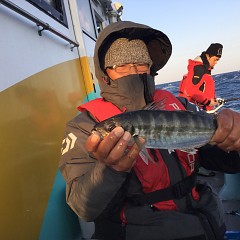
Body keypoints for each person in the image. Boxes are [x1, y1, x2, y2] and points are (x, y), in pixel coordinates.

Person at [59, 21, 240, 240]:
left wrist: (234, 140)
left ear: (150, 67)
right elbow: (83, 207)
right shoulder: (84, 126)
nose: (133, 71)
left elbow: (226, 162)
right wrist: (109, 171)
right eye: (121, 66)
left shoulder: (178, 105)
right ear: (105, 73)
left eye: (141, 63)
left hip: (207, 221)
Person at [178, 43, 223, 111]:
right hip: (199, 113)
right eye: (215, 59)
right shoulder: (199, 69)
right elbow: (191, 90)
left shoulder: (203, 68)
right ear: (208, 56)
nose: (216, 62)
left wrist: (213, 101)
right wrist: (208, 102)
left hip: (202, 112)